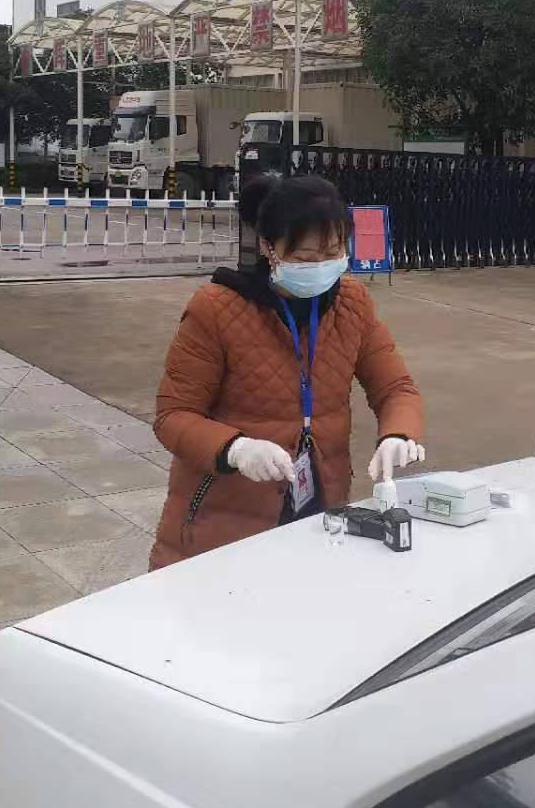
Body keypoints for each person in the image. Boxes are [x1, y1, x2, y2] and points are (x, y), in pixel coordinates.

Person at [149, 174, 424, 569]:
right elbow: (173, 415)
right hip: (225, 519)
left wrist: (398, 432)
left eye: (332, 253)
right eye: (305, 258)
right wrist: (236, 449)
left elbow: (395, 387)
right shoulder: (215, 309)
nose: (321, 267)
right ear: (268, 247)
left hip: (320, 508)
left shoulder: (352, 303)